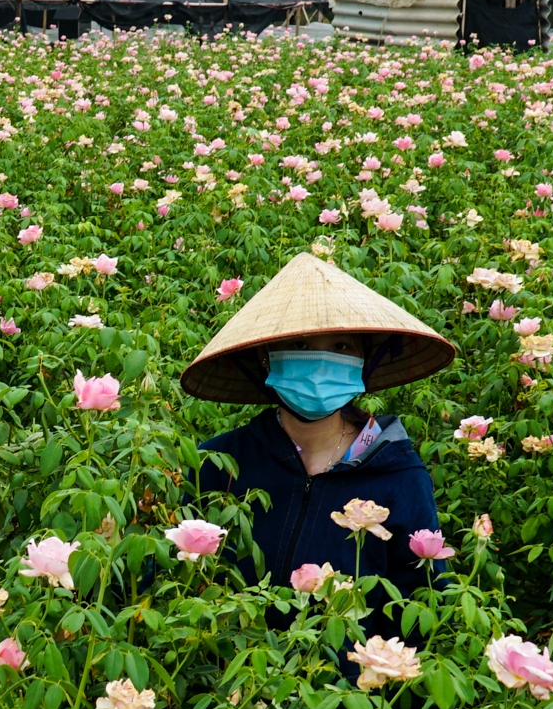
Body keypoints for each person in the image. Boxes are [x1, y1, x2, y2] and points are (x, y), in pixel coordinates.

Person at [183, 253, 457, 601]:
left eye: (340, 346)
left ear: (363, 362)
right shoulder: (219, 463)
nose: (320, 362)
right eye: (299, 346)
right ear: (266, 357)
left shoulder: (399, 474)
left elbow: (421, 596)